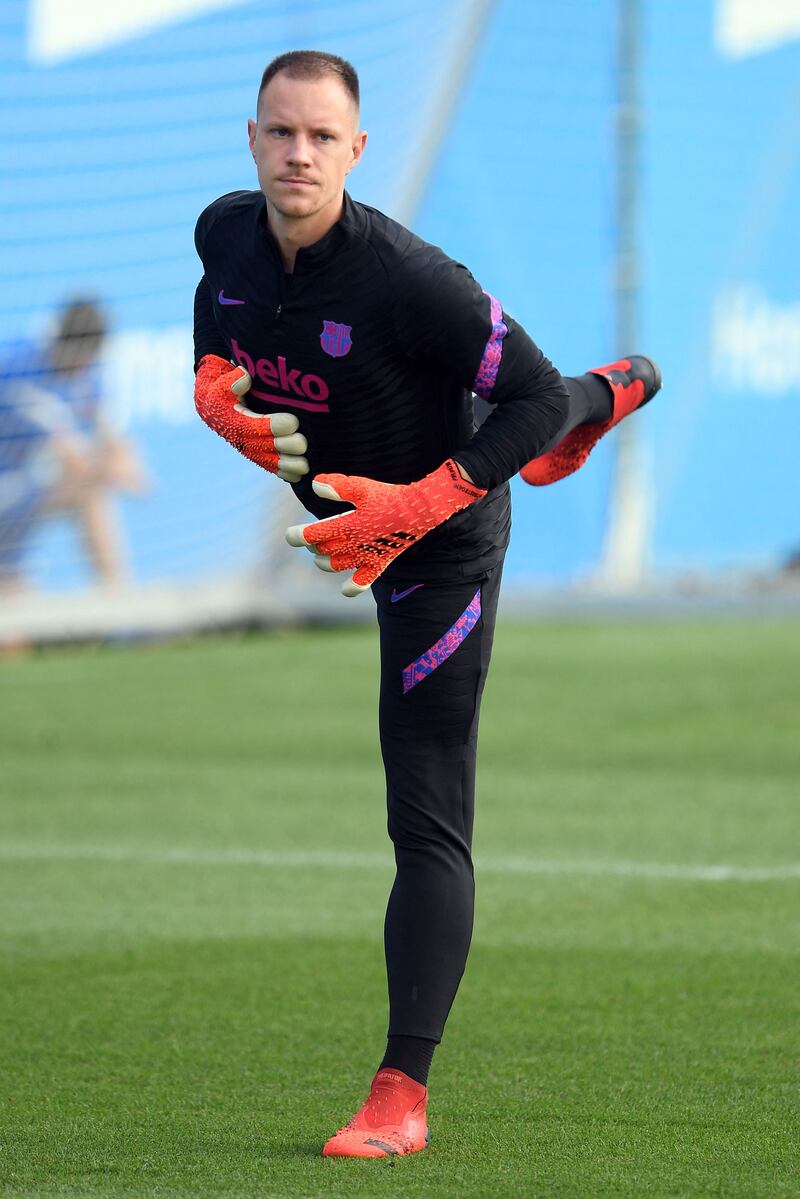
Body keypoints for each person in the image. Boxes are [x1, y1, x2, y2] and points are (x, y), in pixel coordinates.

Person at [192, 50, 661, 1159]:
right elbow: (213, 335)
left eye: (320, 137)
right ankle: (608, 400)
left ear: (357, 150)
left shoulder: (410, 278)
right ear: (251, 138)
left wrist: (423, 503)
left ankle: (399, 1093)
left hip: (439, 549)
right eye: (278, 133)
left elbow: (527, 392)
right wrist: (217, 399)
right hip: (350, 527)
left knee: (424, 812)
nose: (296, 153)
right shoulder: (224, 232)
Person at [0, 299, 148, 592]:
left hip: (21, 494)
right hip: (8, 491)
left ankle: (120, 608)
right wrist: (113, 469)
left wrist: (123, 460)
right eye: (83, 358)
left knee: (89, 492)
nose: (86, 366)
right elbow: (72, 455)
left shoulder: (86, 375)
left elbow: (115, 439)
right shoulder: (19, 371)